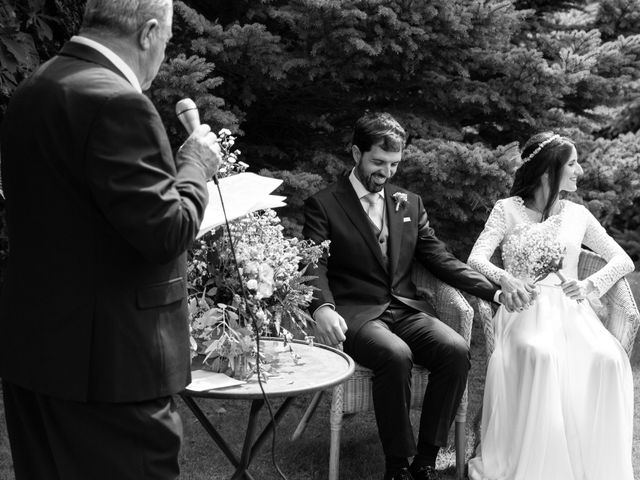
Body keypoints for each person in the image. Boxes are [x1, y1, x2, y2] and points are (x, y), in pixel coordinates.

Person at [0, 1, 222, 479]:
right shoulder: (117, 102)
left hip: (36, 354)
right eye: (166, 38)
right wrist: (196, 166)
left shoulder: (35, 87)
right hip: (110, 370)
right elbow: (168, 232)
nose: (163, 51)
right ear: (147, 32)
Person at [303, 112, 530, 480]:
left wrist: (496, 291)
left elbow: (439, 259)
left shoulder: (408, 202)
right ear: (355, 153)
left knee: (455, 350)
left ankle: (425, 460)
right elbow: (314, 265)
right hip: (356, 315)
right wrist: (323, 308)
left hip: (405, 309)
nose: (386, 173)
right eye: (378, 162)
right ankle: (397, 466)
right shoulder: (324, 204)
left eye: (394, 164)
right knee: (395, 356)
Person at [467, 132, 635, 480]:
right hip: (523, 311)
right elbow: (476, 258)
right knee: (541, 354)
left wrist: (590, 284)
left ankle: (591, 466)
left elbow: (622, 259)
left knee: (607, 358)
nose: (580, 171)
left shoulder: (579, 215)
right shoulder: (507, 210)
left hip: (574, 314)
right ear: (548, 171)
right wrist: (506, 279)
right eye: (572, 164)